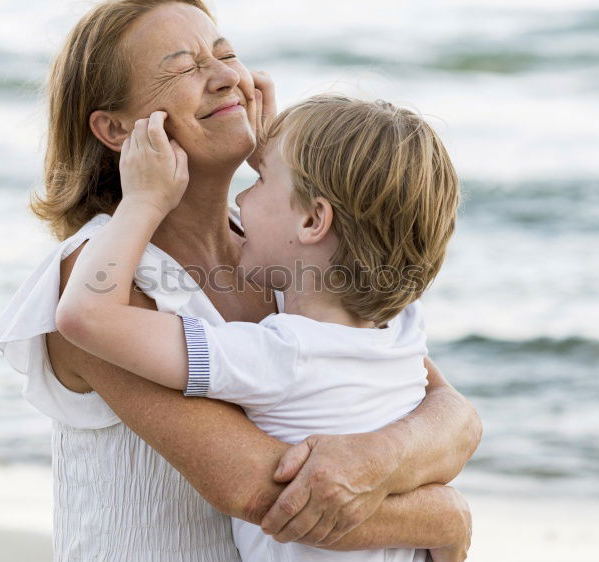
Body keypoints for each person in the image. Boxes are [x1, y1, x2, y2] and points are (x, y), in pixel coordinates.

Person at [0, 1, 482, 560]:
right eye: (184, 69)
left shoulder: (292, 256)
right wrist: (444, 516)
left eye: (227, 56)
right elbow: (265, 491)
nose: (226, 78)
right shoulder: (97, 276)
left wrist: (376, 459)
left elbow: (452, 415)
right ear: (117, 129)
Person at [55, 92, 461, 562]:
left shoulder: (274, 356)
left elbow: (84, 315)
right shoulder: (400, 328)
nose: (243, 196)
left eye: (259, 179)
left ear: (313, 219)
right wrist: (265, 152)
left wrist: (142, 203)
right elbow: (455, 414)